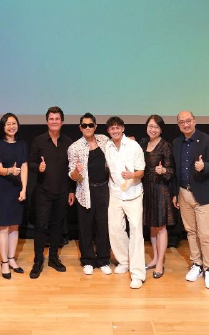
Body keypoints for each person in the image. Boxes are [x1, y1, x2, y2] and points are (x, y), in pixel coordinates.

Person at [172, 110, 209, 288]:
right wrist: (175, 193)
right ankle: (197, 264)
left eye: (188, 121)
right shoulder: (177, 143)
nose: (186, 124)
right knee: (191, 232)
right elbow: (176, 170)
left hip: (204, 193)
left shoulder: (206, 140)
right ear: (178, 125)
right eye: (182, 122)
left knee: (205, 234)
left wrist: (204, 166)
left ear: (194, 121)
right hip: (184, 193)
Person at [28, 106, 74, 279]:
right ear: (47, 121)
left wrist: (71, 190)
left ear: (62, 121)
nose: (54, 121)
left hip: (62, 191)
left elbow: (71, 168)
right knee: (41, 226)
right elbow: (30, 163)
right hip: (43, 191)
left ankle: (53, 258)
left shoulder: (68, 142)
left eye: (57, 119)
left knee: (57, 226)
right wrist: (38, 167)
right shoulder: (39, 141)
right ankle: (38, 261)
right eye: (51, 119)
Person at [104, 116, 146, 289]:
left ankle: (137, 274)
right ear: (108, 131)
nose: (115, 131)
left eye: (117, 128)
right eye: (111, 128)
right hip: (115, 193)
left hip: (133, 193)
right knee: (115, 229)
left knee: (136, 231)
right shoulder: (107, 146)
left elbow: (141, 171)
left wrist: (132, 175)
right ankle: (124, 261)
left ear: (123, 128)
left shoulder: (133, 146)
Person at [68, 113, 112, 276]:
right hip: (85, 191)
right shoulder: (74, 147)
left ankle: (104, 259)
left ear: (95, 126)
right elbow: (72, 176)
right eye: (84, 125)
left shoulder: (104, 140)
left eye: (90, 125)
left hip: (104, 189)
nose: (87, 128)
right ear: (80, 128)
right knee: (86, 227)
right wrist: (76, 171)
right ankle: (87, 260)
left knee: (103, 226)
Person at [0, 113, 28, 279]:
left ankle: (12, 259)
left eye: (14, 123)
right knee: (4, 226)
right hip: (2, 189)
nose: (11, 126)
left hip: (17, 189)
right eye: (8, 124)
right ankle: (4, 262)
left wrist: (24, 189)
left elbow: (24, 167)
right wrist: (10, 171)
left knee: (15, 226)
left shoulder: (22, 144)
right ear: (3, 127)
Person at [139, 115, 175, 279]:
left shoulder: (165, 146)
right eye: (150, 126)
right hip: (146, 189)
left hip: (160, 189)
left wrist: (164, 170)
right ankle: (154, 258)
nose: (152, 129)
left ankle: (160, 262)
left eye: (156, 127)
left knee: (161, 227)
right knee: (152, 226)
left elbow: (172, 170)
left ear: (161, 129)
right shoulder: (143, 143)